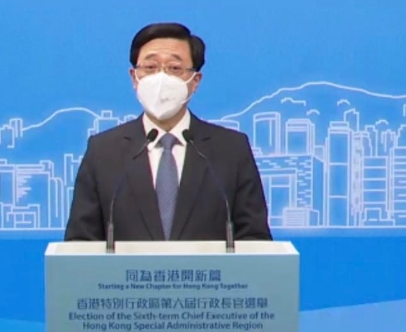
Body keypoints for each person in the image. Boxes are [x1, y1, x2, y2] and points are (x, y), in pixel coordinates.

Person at [64, 22, 273, 243]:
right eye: (150, 67)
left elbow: (254, 238)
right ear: (134, 77)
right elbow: (80, 243)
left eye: (174, 68)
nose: (161, 78)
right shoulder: (103, 151)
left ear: (195, 81)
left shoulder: (231, 149)